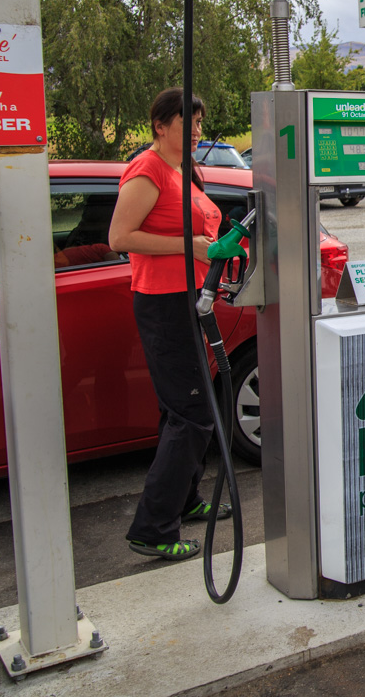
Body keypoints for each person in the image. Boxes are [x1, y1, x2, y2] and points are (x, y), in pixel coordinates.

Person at [108, 88, 230, 561]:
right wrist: (191, 246)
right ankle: (153, 529)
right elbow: (120, 237)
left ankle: (183, 499)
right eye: (187, 121)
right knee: (193, 414)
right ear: (160, 125)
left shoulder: (183, 170)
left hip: (187, 300)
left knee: (181, 408)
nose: (197, 130)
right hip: (164, 304)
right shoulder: (149, 169)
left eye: (200, 121)